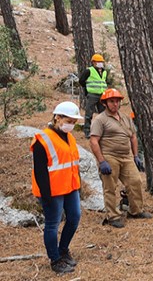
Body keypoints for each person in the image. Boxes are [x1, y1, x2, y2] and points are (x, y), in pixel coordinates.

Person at [31, 102, 84, 273]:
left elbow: (73, 164)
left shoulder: (70, 137)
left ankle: (63, 250)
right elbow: (40, 171)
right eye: (69, 120)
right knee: (52, 224)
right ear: (57, 117)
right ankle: (55, 260)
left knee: (74, 218)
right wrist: (46, 195)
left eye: (74, 122)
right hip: (52, 191)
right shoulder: (42, 139)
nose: (71, 125)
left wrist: (78, 185)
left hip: (70, 187)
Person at [89, 89, 152, 228]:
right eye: (111, 101)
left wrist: (136, 156)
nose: (115, 104)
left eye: (117, 101)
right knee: (110, 187)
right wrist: (102, 161)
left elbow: (133, 137)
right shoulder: (100, 119)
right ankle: (112, 216)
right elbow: (94, 141)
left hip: (126, 156)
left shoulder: (125, 118)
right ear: (105, 103)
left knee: (135, 181)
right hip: (109, 156)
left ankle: (136, 210)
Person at [79, 53, 108, 138]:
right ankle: (87, 131)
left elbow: (104, 82)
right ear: (94, 62)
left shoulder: (104, 71)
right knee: (89, 114)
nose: (100, 63)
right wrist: (87, 89)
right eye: (98, 62)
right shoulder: (89, 71)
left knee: (103, 114)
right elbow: (81, 81)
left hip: (102, 95)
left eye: (101, 62)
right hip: (92, 95)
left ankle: (103, 131)